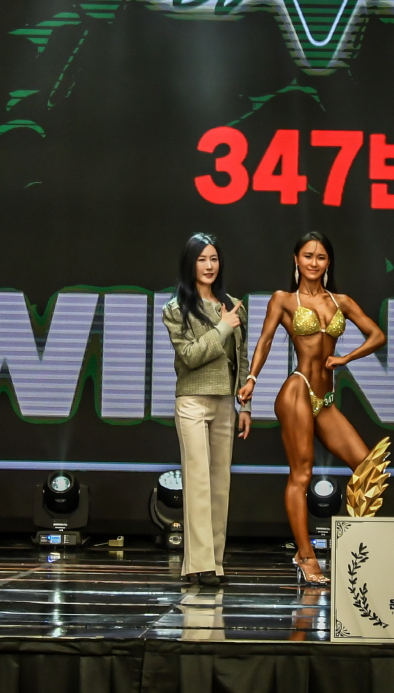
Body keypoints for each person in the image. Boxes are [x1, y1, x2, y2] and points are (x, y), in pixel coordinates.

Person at [239, 231, 386, 584]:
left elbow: (377, 335)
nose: (313, 263)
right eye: (307, 256)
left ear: (328, 262)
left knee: (369, 469)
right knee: (302, 475)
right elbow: (265, 339)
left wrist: (347, 358)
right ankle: (305, 555)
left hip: (325, 400)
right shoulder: (284, 299)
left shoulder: (341, 301)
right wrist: (252, 379)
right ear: (296, 259)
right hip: (298, 390)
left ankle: (356, 550)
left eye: (320, 257)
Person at [162, 233, 251, 587]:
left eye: (214, 259)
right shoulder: (176, 308)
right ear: (190, 264)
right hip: (193, 400)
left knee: (219, 486)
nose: (209, 266)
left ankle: (214, 562)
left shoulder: (233, 305)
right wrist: (223, 328)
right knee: (197, 482)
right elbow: (190, 356)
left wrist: (245, 405)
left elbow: (241, 359)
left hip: (225, 402)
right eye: (202, 259)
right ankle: (197, 564)